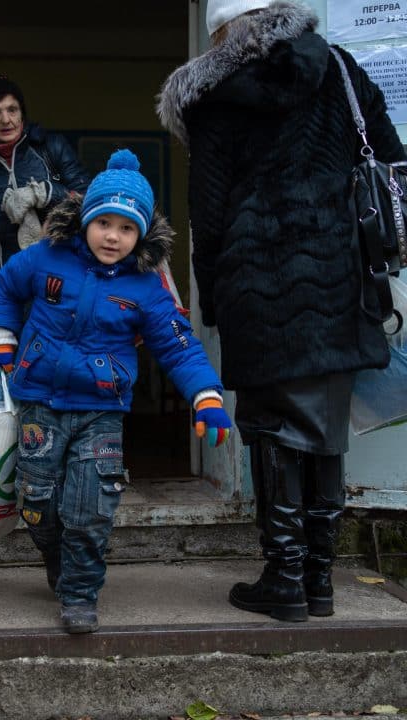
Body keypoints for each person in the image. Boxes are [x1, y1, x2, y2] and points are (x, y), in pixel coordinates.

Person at [157, 0, 406, 622]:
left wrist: (212, 299)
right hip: (340, 278)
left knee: (271, 428)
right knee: (324, 431)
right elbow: (393, 160)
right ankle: (318, 579)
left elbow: (209, 217)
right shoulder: (342, 68)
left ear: (222, 29)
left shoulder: (215, 96)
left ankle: (284, 577)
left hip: (259, 283)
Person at [0, 149, 232, 634]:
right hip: (40, 401)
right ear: (86, 220)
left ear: (140, 235)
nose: (113, 236)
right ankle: (58, 561)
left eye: (126, 228)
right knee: (36, 503)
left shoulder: (145, 287)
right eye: (105, 223)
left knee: (90, 508)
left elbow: (180, 348)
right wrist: (4, 340)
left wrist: (207, 396)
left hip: (101, 411)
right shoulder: (45, 257)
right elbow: (6, 289)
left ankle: (79, 591)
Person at [0, 75, 91, 288]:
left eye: (12, 109)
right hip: (7, 284)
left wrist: (46, 193)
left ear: (22, 112)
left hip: (62, 278)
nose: (6, 120)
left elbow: (90, 201)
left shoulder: (51, 147)